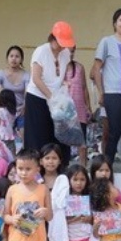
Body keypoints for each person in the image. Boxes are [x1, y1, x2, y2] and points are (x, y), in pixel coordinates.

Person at [91, 8, 121, 172]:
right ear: (115, 23)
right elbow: (97, 69)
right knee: (113, 133)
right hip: (113, 94)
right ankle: (106, 171)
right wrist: (101, 92)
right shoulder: (106, 41)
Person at [24, 22, 75, 165]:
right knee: (38, 137)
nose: (61, 46)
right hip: (38, 98)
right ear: (52, 38)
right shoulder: (41, 51)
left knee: (60, 136)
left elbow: (61, 76)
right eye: (59, 42)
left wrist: (64, 88)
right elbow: (36, 78)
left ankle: (61, 169)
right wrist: (51, 97)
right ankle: (35, 170)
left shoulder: (65, 54)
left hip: (56, 99)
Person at [0, 45, 30, 137]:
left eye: (17, 56)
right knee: (5, 135)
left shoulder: (26, 75)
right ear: (7, 58)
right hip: (6, 111)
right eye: (11, 56)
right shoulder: (0, 74)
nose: (14, 59)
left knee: (23, 134)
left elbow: (28, 93)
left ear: (21, 59)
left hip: (21, 109)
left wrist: (25, 106)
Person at [65, 47, 92, 166]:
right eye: (67, 51)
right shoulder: (56, 69)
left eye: (72, 51)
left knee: (82, 142)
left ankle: (83, 168)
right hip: (63, 110)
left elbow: (84, 88)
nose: (70, 54)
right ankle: (63, 167)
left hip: (79, 109)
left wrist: (88, 106)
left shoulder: (79, 67)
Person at [0, 89, 17, 158]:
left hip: (1, 136)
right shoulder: (13, 111)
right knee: (11, 154)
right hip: (10, 136)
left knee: (1, 153)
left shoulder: (0, 110)